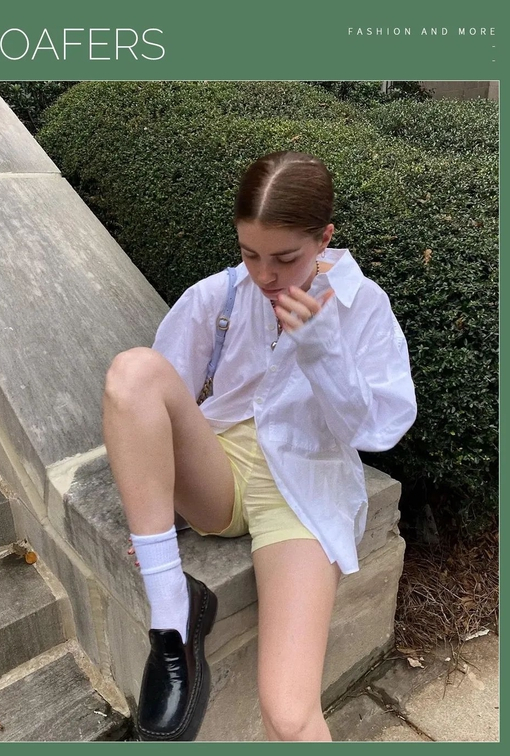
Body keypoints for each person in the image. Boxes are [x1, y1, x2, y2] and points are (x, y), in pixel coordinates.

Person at [102, 151, 417, 742]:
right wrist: (159, 513)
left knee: (290, 716)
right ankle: (173, 616)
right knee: (131, 369)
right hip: (219, 470)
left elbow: (378, 431)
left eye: (285, 258)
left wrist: (323, 350)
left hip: (304, 487)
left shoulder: (363, 306)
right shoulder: (219, 296)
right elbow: (146, 405)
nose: (265, 275)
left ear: (324, 238)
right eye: (250, 253)